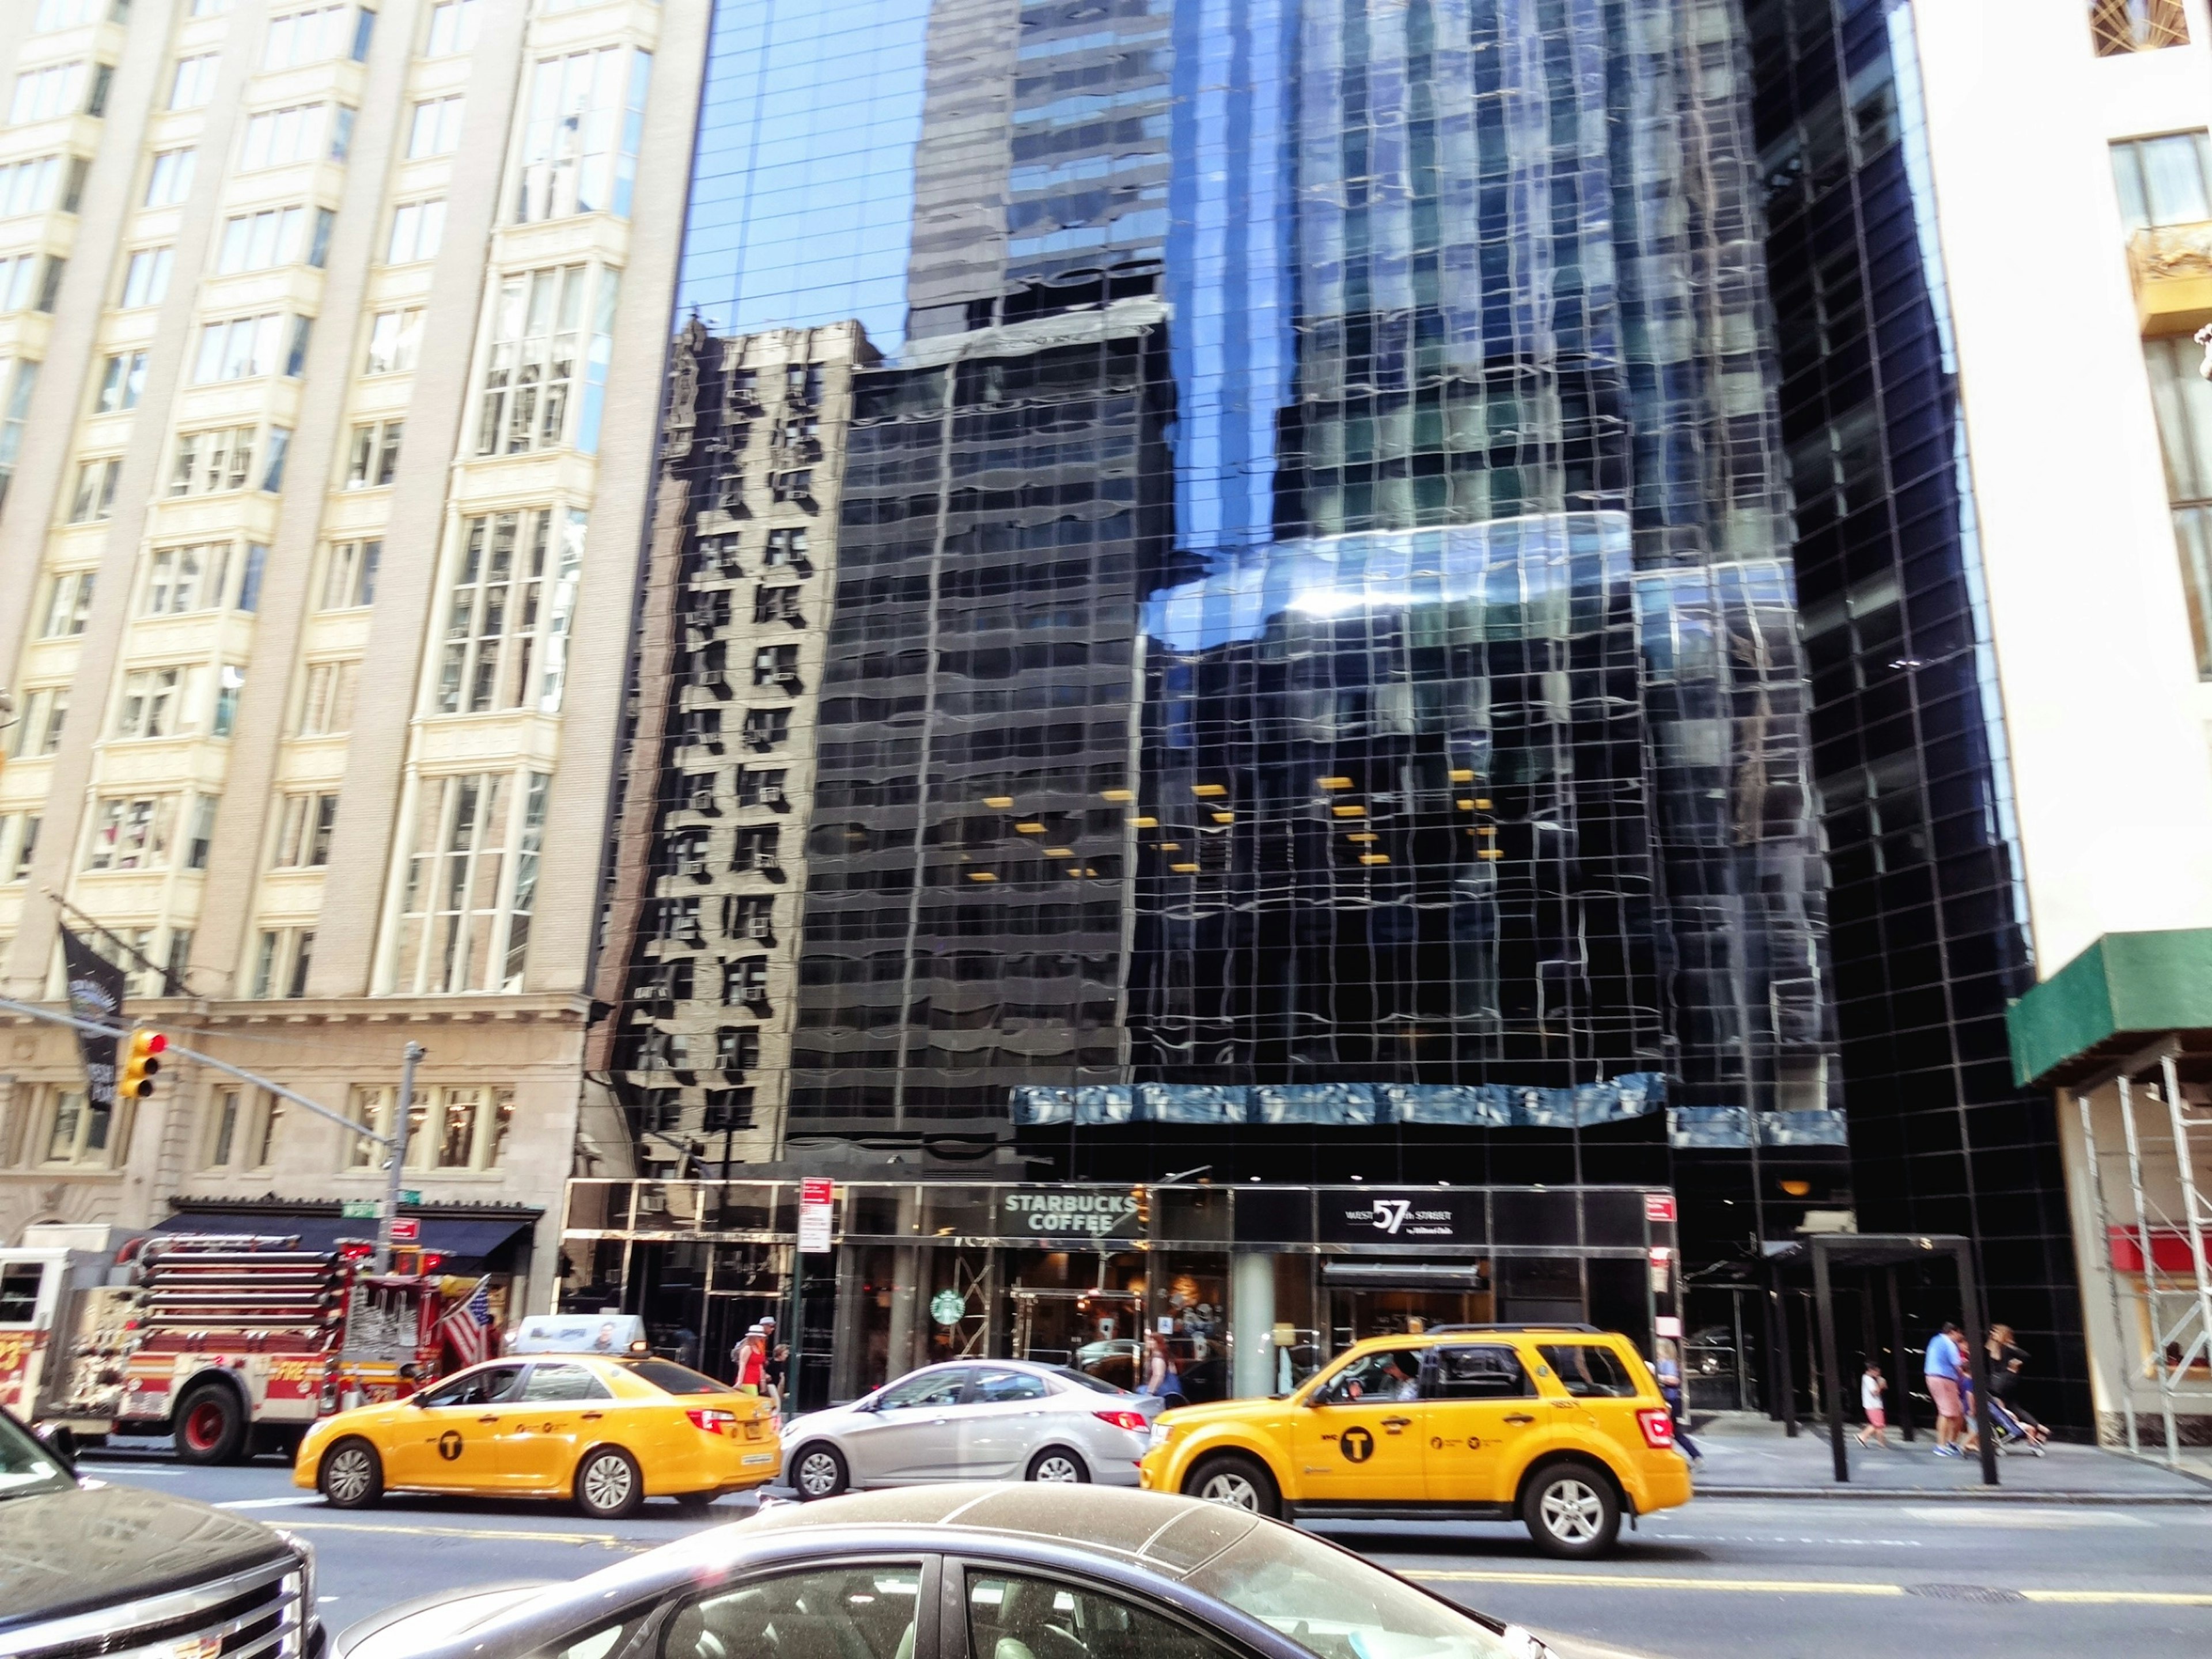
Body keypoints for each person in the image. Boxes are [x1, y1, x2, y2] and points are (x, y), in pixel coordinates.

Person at [1653, 1339, 1702, 1464]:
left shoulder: (1668, 1363)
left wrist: (1656, 1375)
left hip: (1671, 1400)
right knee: (1673, 1431)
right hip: (1669, 1400)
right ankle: (1694, 1455)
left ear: (1664, 1351)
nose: (1655, 1351)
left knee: (1666, 1431)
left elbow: (1673, 1380)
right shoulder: (1663, 1363)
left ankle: (1678, 1458)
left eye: (1658, 1348)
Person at [1924, 1320, 1966, 1456]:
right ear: (1953, 1332)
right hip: (1944, 1378)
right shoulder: (1949, 1343)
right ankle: (1941, 1446)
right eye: (1959, 1333)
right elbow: (1957, 1365)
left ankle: (1951, 1443)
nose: (1960, 1336)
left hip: (1936, 1377)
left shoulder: (1935, 1340)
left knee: (1958, 1411)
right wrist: (1964, 1376)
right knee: (1946, 1412)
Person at [1140, 1330, 1183, 1403]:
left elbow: (1158, 1376)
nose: (1148, 1342)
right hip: (1171, 1391)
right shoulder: (1166, 1354)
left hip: (1161, 1392)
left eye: (1151, 1340)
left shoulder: (1157, 1356)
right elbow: (1174, 1371)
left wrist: (1150, 1392)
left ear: (1157, 1343)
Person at [1856, 1359, 1888, 1448]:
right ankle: (1863, 1436)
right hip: (1873, 1406)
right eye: (1877, 1371)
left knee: (1878, 1425)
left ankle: (1881, 1442)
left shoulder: (1870, 1379)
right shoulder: (1868, 1380)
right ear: (1871, 1370)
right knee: (1878, 1424)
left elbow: (1884, 1388)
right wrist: (1881, 1385)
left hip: (1874, 1405)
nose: (1878, 1373)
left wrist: (1881, 1383)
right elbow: (1875, 1393)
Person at [731, 1324, 767, 1396]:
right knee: (753, 1400)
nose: (761, 1339)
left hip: (755, 1380)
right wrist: (740, 1382)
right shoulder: (747, 1348)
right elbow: (742, 1365)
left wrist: (763, 1381)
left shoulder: (759, 1349)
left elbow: (760, 1366)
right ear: (753, 1337)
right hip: (747, 1379)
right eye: (759, 1337)